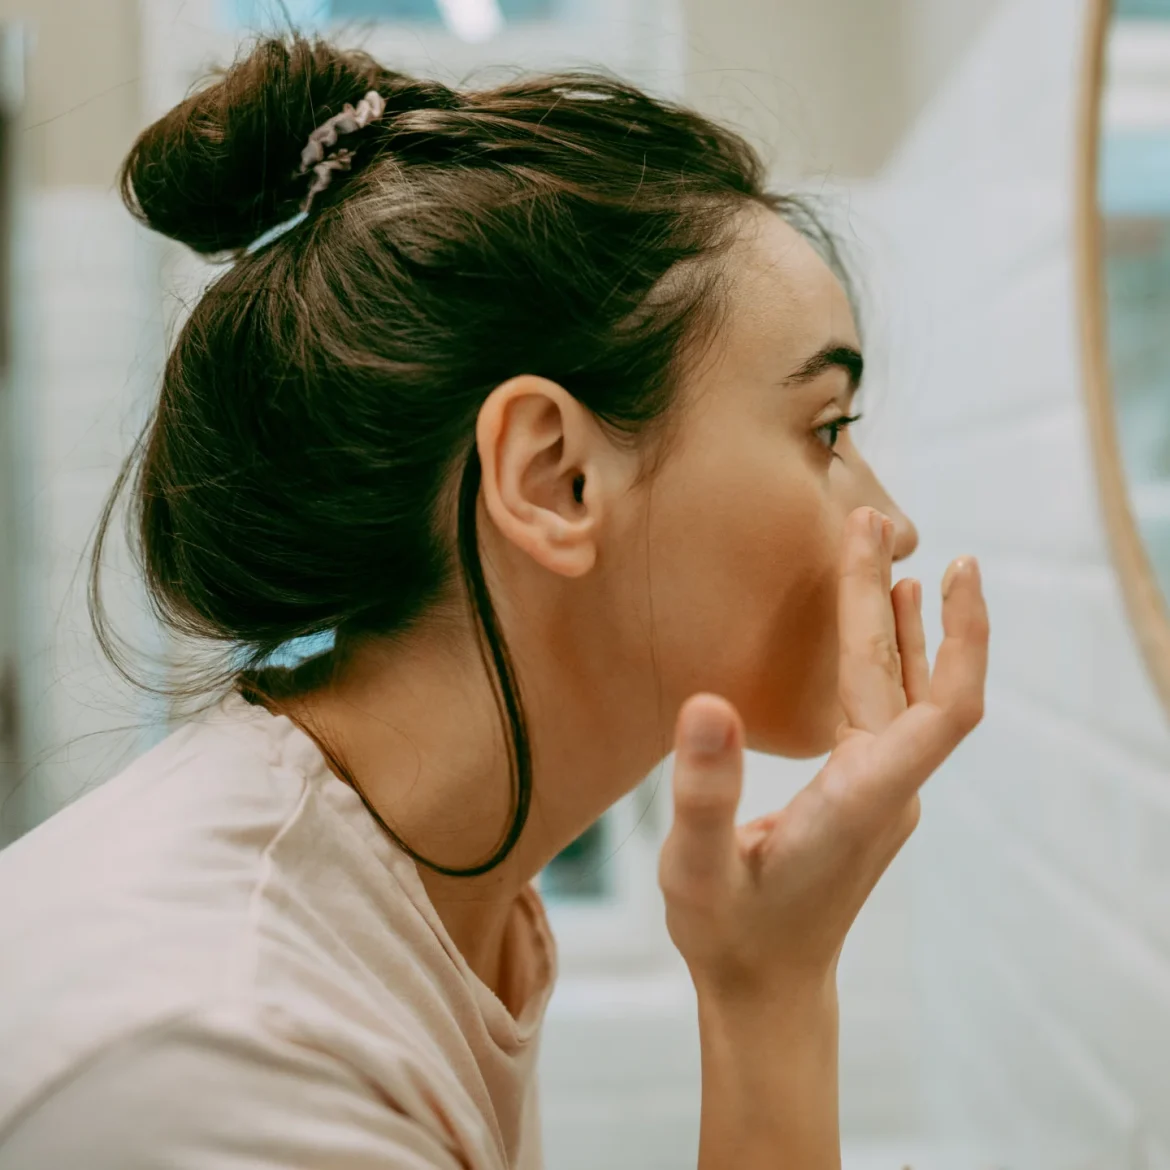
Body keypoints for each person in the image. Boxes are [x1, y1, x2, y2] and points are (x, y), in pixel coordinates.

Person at [0, 33, 989, 1170]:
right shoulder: (223, 1050)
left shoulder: (459, 901)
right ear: (552, 479)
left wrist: (771, 983)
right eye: (826, 431)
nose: (893, 524)